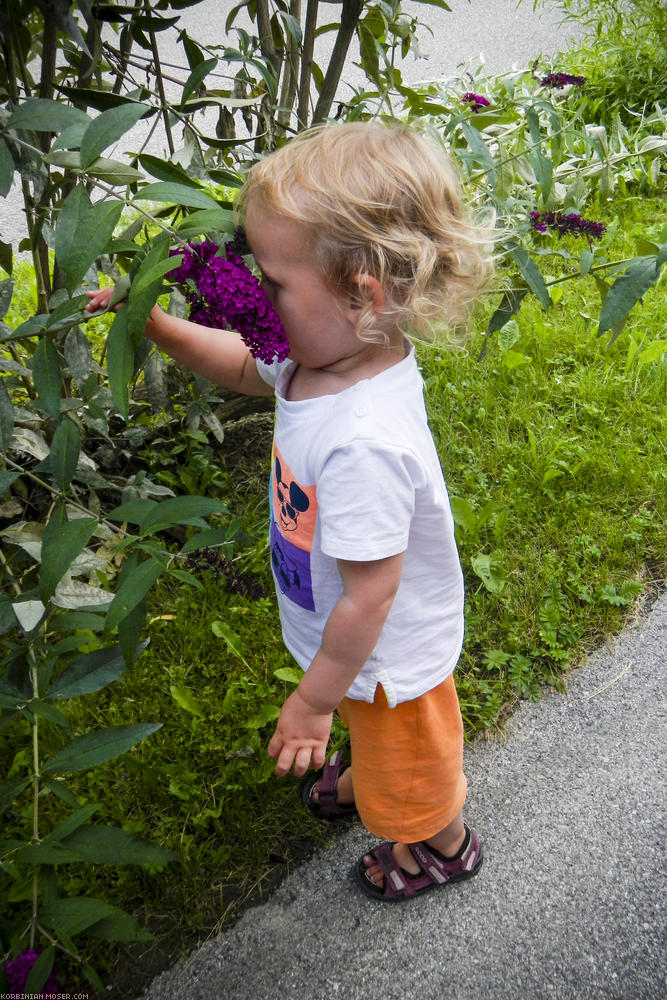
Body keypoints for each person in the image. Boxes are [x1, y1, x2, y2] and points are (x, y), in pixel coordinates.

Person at [86, 121, 494, 902]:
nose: (255, 300)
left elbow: (372, 594)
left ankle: (436, 841)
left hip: (384, 661)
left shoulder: (364, 442)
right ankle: (369, 774)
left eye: (270, 282)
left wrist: (309, 703)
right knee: (366, 730)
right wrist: (157, 323)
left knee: (409, 763)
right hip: (345, 644)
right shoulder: (320, 359)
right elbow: (244, 365)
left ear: (360, 293)